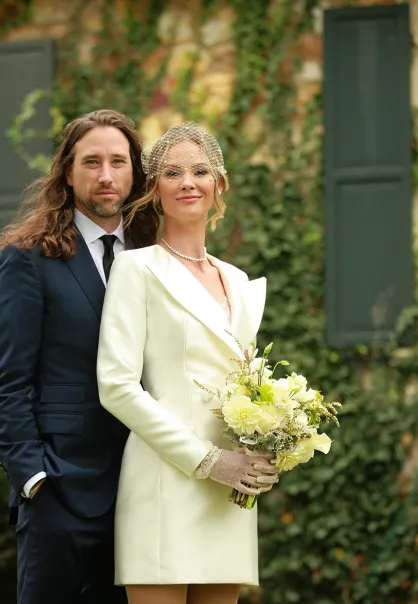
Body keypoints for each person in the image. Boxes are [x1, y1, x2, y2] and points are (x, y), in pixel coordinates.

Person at [96, 122, 279, 604]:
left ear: (220, 184)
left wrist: (270, 447)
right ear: (154, 189)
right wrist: (208, 460)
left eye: (200, 171)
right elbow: (116, 386)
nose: (187, 182)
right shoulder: (137, 269)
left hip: (232, 492)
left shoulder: (238, 281)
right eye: (172, 173)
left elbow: (248, 388)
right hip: (165, 483)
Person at [0, 109, 158, 604]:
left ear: (134, 173)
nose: (106, 175)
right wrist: (33, 478)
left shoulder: (152, 256)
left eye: (118, 162)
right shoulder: (28, 258)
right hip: (58, 489)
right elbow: (5, 382)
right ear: (67, 172)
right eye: (92, 162)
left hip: (141, 488)